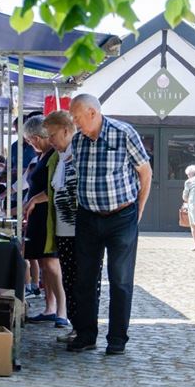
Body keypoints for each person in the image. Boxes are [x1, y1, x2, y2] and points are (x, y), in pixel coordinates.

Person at [67, 94, 152, 355]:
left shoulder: (124, 133)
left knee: (121, 280)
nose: (75, 123)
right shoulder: (78, 141)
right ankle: (86, 335)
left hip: (121, 216)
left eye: (77, 117)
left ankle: (117, 339)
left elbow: (145, 173)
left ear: (92, 112)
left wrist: (138, 210)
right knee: (84, 279)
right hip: (88, 217)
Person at [43, 111, 102, 342]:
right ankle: (77, 327)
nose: (50, 140)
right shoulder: (59, 158)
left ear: (67, 131)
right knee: (70, 280)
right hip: (63, 231)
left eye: (52, 135)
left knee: (84, 281)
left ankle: (85, 330)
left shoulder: (80, 154)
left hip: (82, 231)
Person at [21, 115, 68, 327]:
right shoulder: (42, 156)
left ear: (38, 137)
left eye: (31, 140)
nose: (31, 144)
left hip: (48, 215)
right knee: (43, 262)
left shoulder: (55, 156)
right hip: (37, 215)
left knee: (51, 263)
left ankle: (62, 309)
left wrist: (33, 200)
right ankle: (50, 307)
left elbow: (55, 188)